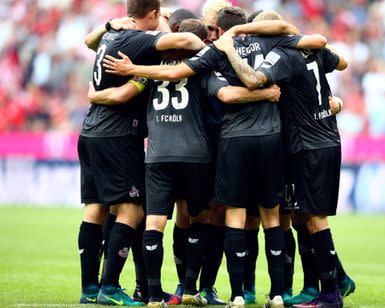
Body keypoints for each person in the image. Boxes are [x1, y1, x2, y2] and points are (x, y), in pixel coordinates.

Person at [102, 9, 327, 307]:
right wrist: (270, 93)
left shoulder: (214, 53)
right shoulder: (278, 45)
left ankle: (214, 294)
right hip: (261, 142)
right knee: (269, 218)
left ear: (219, 30)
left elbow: (177, 75)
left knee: (212, 217)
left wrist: (134, 68)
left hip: (208, 146)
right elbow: (319, 41)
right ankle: (275, 293)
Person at [78, 0, 206, 305]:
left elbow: (88, 40)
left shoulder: (110, 35)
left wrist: (109, 24)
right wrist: (139, 71)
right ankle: (109, 287)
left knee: (96, 209)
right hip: (118, 135)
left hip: (90, 132)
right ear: (150, 14)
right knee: (132, 211)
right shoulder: (139, 40)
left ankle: (90, 289)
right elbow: (190, 40)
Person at [214, 29, 351, 308]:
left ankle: (330, 292)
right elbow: (342, 63)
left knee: (312, 220)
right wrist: (333, 104)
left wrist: (231, 44)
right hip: (323, 141)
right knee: (303, 219)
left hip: (307, 146)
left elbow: (253, 80)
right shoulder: (314, 52)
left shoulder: (282, 55)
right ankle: (326, 284)